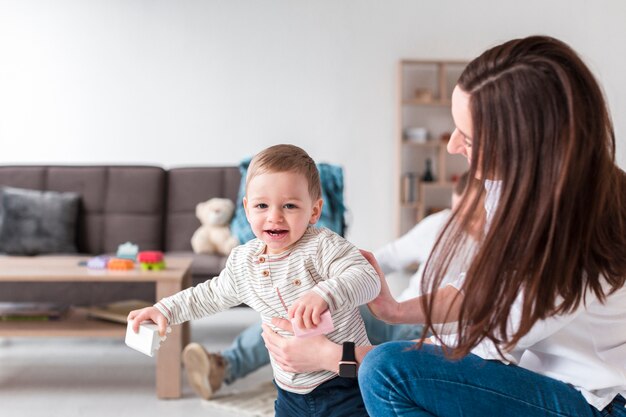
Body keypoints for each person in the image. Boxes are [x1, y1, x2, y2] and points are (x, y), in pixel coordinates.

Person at [262, 35, 626, 417]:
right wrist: (396, 310)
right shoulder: (509, 186)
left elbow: (480, 343)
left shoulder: (574, 234)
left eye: (467, 136)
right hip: (542, 378)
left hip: (598, 404)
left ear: (527, 144)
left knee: (386, 371)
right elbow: (484, 290)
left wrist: (332, 357)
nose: (452, 145)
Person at [128, 144, 380, 417]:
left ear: (314, 211)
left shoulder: (323, 246)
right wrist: (165, 309)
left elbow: (367, 278)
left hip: (343, 385)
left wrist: (324, 293)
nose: (274, 216)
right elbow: (209, 295)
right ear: (247, 209)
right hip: (288, 391)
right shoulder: (243, 261)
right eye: (262, 205)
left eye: (290, 205)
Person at [181, 172, 474, 400]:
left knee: (331, 342)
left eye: (472, 217)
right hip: (395, 310)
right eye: (458, 213)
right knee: (292, 309)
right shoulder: (441, 224)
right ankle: (224, 366)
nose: (461, 224)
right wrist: (335, 279)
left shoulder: (502, 253)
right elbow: (384, 258)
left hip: (430, 330)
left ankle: (303, 374)